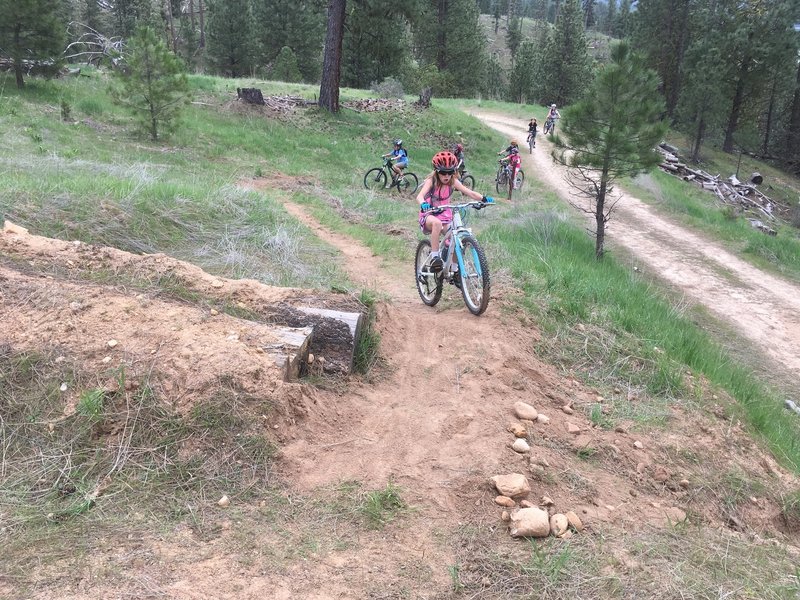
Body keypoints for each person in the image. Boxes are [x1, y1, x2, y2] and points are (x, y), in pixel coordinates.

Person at [417, 151, 494, 272]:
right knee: (436, 224)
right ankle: (435, 257)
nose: (446, 176)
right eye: (443, 172)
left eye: (450, 172)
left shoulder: (453, 181)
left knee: (456, 236)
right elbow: (419, 196)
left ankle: (454, 269)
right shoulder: (431, 181)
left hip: (445, 216)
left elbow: (469, 192)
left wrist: (483, 198)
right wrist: (423, 203)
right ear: (437, 171)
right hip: (429, 215)